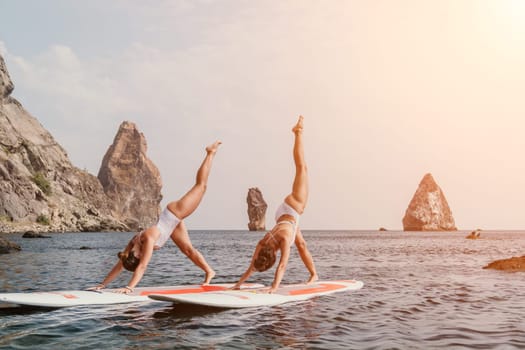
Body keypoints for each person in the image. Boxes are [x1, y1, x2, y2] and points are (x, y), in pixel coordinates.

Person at [89, 141, 221, 294]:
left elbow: (143, 266)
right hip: (173, 224)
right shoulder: (131, 247)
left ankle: (210, 153)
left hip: (176, 212)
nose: (141, 256)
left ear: (137, 255)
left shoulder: (148, 238)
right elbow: (120, 265)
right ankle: (209, 271)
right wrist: (102, 285)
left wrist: (129, 287)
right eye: (139, 256)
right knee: (188, 251)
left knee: (201, 186)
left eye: (139, 256)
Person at [232, 116, 318, 293]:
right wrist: (237, 285)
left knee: (302, 168)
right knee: (301, 245)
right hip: (282, 215)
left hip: (293, 209)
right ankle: (314, 274)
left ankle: (298, 132)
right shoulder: (263, 243)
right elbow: (253, 266)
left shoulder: (283, 241)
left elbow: (282, 265)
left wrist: (274, 287)